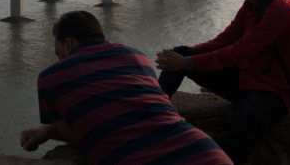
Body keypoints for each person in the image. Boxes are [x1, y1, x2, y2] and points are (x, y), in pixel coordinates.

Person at [155, 0, 290, 164]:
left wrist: (188, 63)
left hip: (270, 92)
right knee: (180, 53)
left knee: (233, 144)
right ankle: (152, 114)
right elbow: (223, 41)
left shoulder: (281, 8)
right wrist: (180, 57)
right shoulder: (251, 5)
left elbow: (240, 50)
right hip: (245, 81)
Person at [20, 10, 231, 165]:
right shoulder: (137, 56)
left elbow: (79, 135)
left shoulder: (50, 77)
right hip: (206, 152)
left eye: (58, 52)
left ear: (68, 44)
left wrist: (48, 131)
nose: (59, 59)